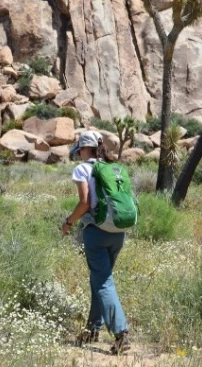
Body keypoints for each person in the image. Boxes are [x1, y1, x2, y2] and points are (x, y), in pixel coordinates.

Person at [61, 131, 131, 354]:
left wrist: (69, 222)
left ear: (83, 149)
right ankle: (92, 329)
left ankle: (121, 334)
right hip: (118, 232)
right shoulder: (111, 167)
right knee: (99, 280)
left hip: (96, 232)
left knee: (103, 282)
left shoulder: (82, 168)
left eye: (79, 150)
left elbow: (83, 203)